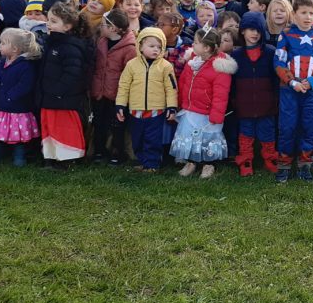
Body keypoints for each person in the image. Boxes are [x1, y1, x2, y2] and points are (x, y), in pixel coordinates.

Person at [272, 0, 313, 182]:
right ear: (294, 14)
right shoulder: (286, 35)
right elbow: (279, 62)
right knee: (287, 127)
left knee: (309, 127)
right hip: (289, 91)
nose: (308, 17)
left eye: (311, 13)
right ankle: (284, 165)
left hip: (311, 91)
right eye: (303, 12)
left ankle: (305, 165)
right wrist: (292, 82)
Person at [36, 3, 95, 170]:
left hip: (64, 99)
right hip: (49, 97)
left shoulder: (70, 46)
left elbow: (73, 73)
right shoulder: (52, 42)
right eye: (48, 20)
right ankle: (50, 157)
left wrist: (58, 91)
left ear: (67, 26)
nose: (48, 24)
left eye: (54, 21)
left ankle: (66, 159)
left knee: (64, 130)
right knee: (50, 129)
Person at [171, 26, 235, 178]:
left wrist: (216, 116)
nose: (193, 45)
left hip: (207, 113)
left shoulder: (219, 67)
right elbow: (183, 84)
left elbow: (221, 95)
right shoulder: (192, 63)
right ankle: (191, 162)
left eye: (196, 42)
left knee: (207, 139)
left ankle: (209, 164)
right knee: (191, 137)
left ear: (206, 48)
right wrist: (179, 103)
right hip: (191, 110)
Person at [116, 26, 177, 172]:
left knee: (153, 139)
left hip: (156, 111)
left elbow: (171, 88)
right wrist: (120, 105)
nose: (155, 49)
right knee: (137, 138)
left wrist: (172, 107)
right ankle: (143, 161)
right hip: (135, 110)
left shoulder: (166, 66)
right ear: (140, 46)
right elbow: (124, 86)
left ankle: (152, 164)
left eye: (159, 46)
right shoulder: (131, 65)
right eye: (151, 46)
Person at [0, 28, 41, 167]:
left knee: (18, 135)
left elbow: (25, 85)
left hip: (17, 108)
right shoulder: (2, 62)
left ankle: (19, 157)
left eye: (3, 43)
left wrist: (10, 96)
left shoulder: (26, 65)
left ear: (14, 48)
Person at [230, 12, 279, 176]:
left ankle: (270, 159)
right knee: (246, 133)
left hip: (267, 104)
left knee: (268, 132)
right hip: (244, 105)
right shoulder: (235, 55)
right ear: (242, 31)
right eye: (251, 29)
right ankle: (245, 161)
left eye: (258, 30)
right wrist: (235, 101)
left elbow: (276, 79)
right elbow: (232, 83)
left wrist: (275, 99)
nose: (255, 33)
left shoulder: (271, 52)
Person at [92, 10, 137, 166]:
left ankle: (117, 153)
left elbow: (130, 74)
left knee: (117, 125)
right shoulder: (101, 41)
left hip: (117, 94)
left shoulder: (130, 48)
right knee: (99, 123)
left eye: (104, 24)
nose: (101, 27)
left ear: (114, 28)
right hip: (99, 91)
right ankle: (99, 150)